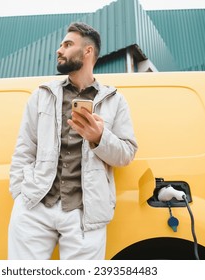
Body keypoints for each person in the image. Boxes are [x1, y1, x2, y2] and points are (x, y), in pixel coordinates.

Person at [8, 22, 138, 260]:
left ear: (87, 52)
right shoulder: (42, 94)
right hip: (35, 206)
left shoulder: (115, 101)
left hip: (85, 215)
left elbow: (127, 153)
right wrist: (20, 195)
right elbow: (24, 149)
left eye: (67, 45)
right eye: (60, 45)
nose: (59, 50)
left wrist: (99, 138)